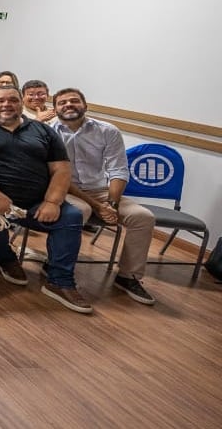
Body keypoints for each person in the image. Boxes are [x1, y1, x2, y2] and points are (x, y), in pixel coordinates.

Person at [0, 86, 93, 313]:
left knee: (71, 217)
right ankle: (7, 259)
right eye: (0, 100)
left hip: (36, 202)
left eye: (12, 100)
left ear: (21, 103)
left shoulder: (43, 131)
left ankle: (60, 280)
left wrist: (52, 201)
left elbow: (61, 170)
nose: (6, 104)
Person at [53, 88, 157, 305]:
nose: (68, 105)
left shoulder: (107, 131)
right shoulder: (49, 131)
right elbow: (58, 176)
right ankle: (58, 269)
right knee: (80, 211)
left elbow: (118, 170)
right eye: (62, 102)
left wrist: (111, 203)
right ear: (55, 109)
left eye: (74, 101)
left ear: (85, 106)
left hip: (100, 190)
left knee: (142, 217)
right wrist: (99, 207)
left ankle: (128, 277)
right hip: (65, 188)